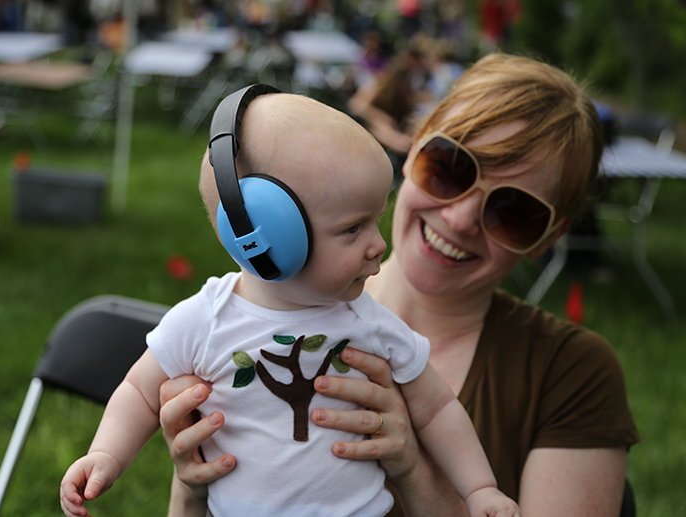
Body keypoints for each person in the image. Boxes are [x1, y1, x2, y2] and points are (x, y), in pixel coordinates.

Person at [160, 53, 640, 517]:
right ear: (413, 146)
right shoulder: (250, 316)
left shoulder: (570, 373)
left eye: (514, 212)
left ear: (548, 237)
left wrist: (415, 470)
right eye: (450, 167)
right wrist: (193, 487)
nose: (460, 218)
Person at [59, 87, 519, 517]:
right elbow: (139, 392)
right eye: (353, 228)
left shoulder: (368, 322)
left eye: (377, 220)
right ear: (265, 236)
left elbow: (437, 408)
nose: (378, 245)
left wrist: (479, 488)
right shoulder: (206, 318)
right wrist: (105, 454)